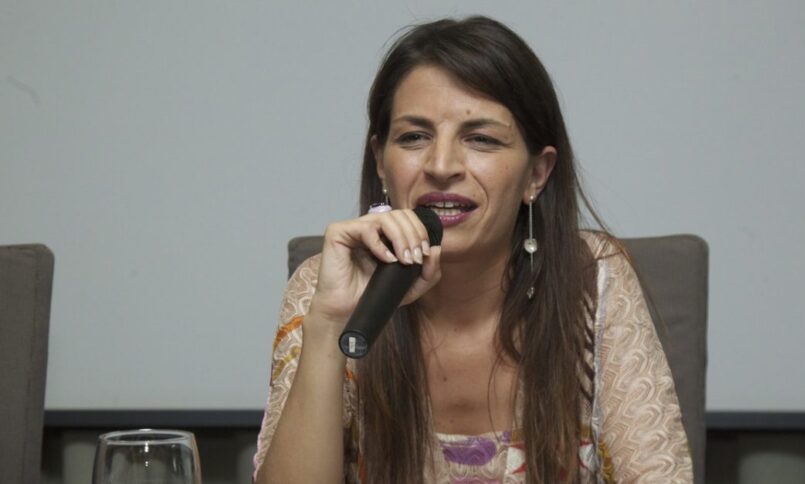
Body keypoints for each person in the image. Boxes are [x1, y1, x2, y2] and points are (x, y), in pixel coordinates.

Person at [253, 16, 693, 484]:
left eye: (481, 139)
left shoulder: (593, 281)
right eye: (414, 137)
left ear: (537, 174)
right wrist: (330, 327)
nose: (442, 166)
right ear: (381, 162)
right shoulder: (327, 284)